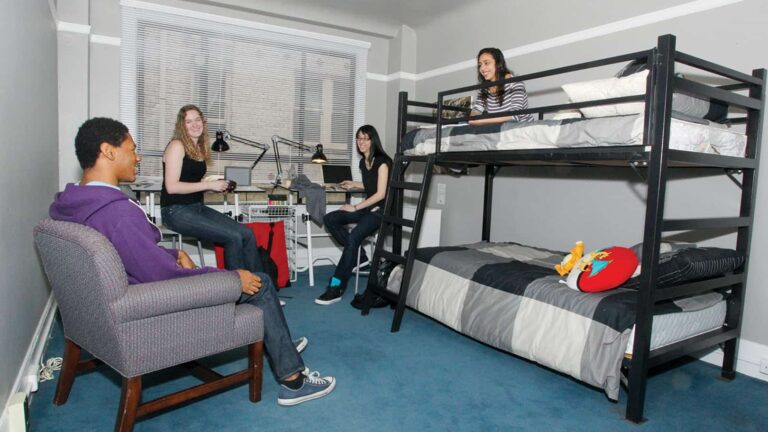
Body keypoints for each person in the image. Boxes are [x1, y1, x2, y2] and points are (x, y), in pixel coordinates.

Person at [49, 117, 336, 406]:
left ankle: (277, 342)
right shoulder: (118, 214)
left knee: (243, 248)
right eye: (132, 149)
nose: (137, 157)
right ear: (108, 151)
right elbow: (162, 277)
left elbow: (130, 256)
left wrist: (174, 254)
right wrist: (233, 278)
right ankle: (294, 381)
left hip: (112, 308)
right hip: (153, 307)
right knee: (259, 284)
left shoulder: (72, 203)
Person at [160, 105, 263, 273]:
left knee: (247, 233)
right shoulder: (176, 146)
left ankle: (260, 288)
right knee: (232, 237)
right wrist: (208, 184)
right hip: (175, 212)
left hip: (195, 207)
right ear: (182, 125)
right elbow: (172, 187)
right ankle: (236, 292)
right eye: (189, 121)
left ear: (203, 121)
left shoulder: (198, 147)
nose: (195, 124)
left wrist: (214, 187)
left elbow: (190, 183)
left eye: (197, 120)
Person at [315, 125, 391, 307]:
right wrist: (355, 184)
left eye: (365, 138)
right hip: (369, 207)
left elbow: (381, 194)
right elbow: (371, 185)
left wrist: (355, 207)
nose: (361, 142)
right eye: (358, 138)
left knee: (354, 236)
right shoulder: (363, 162)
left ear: (373, 140)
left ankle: (336, 287)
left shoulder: (383, 162)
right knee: (330, 219)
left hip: (382, 210)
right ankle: (360, 255)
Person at [469, 47, 534, 125]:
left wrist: (480, 121)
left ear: (498, 64)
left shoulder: (515, 83)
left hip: (523, 129)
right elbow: (476, 111)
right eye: (480, 65)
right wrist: (473, 119)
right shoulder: (484, 89)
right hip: (501, 130)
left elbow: (514, 116)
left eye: (486, 63)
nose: (482, 68)